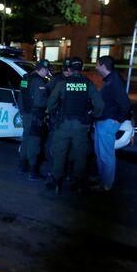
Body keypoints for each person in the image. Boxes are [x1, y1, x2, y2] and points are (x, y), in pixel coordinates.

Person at [45, 57, 103, 194]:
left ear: (69, 69)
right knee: (80, 155)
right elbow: (99, 105)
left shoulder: (63, 83)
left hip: (63, 125)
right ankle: (78, 183)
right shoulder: (88, 84)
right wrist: (91, 116)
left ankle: (56, 182)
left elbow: (50, 103)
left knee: (59, 153)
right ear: (81, 69)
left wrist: (54, 112)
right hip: (81, 126)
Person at [93, 55, 132, 191]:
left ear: (103, 66)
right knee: (100, 153)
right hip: (102, 121)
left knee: (106, 155)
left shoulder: (114, 81)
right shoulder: (111, 79)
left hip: (108, 122)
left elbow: (126, 104)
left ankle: (106, 185)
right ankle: (102, 177)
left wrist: (118, 119)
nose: (95, 67)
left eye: (97, 64)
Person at [18, 59, 50, 180]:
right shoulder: (38, 81)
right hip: (35, 116)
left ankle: (22, 166)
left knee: (25, 139)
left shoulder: (26, 78)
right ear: (42, 69)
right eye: (47, 70)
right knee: (34, 142)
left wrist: (22, 112)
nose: (47, 72)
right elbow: (40, 102)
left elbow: (20, 96)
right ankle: (33, 171)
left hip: (26, 114)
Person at [44, 59, 73, 167]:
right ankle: (53, 165)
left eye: (67, 70)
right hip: (56, 115)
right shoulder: (56, 79)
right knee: (53, 141)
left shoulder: (70, 79)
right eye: (65, 70)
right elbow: (48, 95)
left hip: (65, 116)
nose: (66, 72)